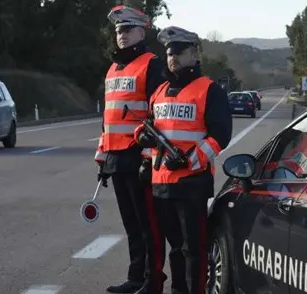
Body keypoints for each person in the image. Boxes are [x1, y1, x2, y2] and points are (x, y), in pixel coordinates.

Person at [133, 26, 233, 294]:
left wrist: (189, 161)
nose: (173, 57)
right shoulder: (159, 91)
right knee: (175, 248)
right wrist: (142, 139)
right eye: (169, 53)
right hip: (161, 184)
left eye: (179, 52)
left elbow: (220, 137)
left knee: (193, 249)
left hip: (192, 183)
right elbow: (149, 127)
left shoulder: (209, 90)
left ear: (193, 54)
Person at [93, 5, 166, 294]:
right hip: (117, 158)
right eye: (118, 31)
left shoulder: (152, 64)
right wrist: (103, 158)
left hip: (139, 158)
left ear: (141, 31)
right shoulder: (113, 69)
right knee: (132, 226)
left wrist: (149, 159)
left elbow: (158, 115)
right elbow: (108, 119)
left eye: (126, 29)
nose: (121, 35)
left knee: (149, 225)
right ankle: (136, 278)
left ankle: (153, 281)